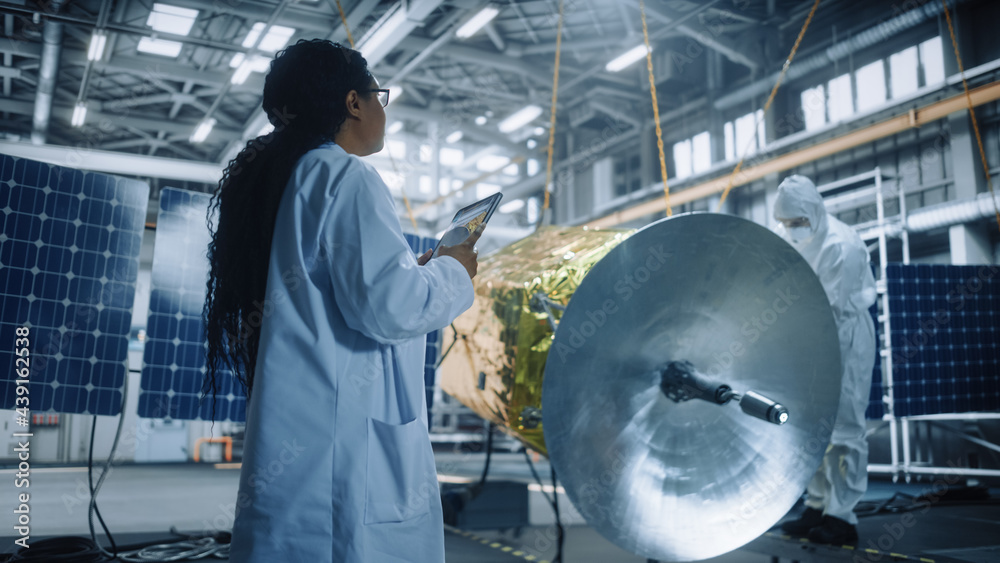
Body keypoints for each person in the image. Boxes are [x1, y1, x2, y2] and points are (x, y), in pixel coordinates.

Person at [202, 39, 481, 562]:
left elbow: (341, 291)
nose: (382, 110)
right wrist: (452, 271)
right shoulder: (345, 177)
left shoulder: (288, 179)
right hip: (343, 452)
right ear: (354, 102)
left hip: (302, 439)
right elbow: (390, 309)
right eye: (380, 96)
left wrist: (407, 273)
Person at [772, 175, 877, 545]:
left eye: (798, 222)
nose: (793, 229)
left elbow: (831, 309)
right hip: (807, 337)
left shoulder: (841, 245)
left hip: (845, 335)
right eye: (787, 223)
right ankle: (816, 504)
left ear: (814, 212)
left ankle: (842, 517)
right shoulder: (788, 240)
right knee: (807, 427)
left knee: (845, 428)